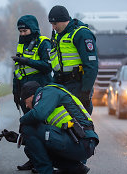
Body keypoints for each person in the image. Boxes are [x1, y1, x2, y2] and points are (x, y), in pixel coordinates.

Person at [11, 81, 99, 174]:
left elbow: (38, 115)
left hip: (82, 141)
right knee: (29, 148)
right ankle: (75, 168)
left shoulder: (49, 91)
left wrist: (22, 121)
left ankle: (46, 172)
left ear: (32, 96)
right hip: (78, 142)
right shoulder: (47, 100)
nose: (26, 106)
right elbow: (40, 139)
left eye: (25, 101)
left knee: (28, 127)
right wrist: (19, 138)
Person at [11, 15, 53, 171]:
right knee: (28, 129)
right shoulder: (21, 46)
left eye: (25, 30)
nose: (22, 34)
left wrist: (27, 61)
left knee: (41, 129)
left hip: (40, 94)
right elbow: (18, 71)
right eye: (20, 31)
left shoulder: (43, 43)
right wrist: (16, 92)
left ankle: (45, 161)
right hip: (25, 94)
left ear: (33, 29)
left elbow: (48, 66)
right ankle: (34, 159)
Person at [48, 5, 98, 115]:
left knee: (80, 125)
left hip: (78, 85)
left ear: (63, 21)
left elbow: (91, 66)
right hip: (62, 84)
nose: (53, 27)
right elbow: (58, 64)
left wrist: (85, 91)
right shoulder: (58, 36)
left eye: (55, 24)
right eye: (51, 24)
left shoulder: (82, 34)